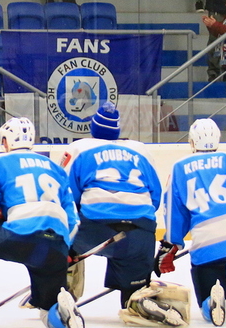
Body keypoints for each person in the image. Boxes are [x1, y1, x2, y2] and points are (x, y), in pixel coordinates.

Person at [0, 117, 84, 328]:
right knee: (48, 313)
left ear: (6, 141)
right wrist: (63, 248)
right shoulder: (55, 168)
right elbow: (74, 222)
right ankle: (60, 311)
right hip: (54, 245)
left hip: (18, 238)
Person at [154, 118, 226, 327]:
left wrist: (173, 243)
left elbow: (174, 210)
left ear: (192, 141)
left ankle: (211, 300)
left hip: (206, 239)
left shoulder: (179, 167)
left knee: (206, 270)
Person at [61, 103, 162, 308]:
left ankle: (61, 289)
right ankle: (135, 300)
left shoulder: (78, 148)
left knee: (61, 240)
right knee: (135, 299)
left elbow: (66, 197)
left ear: (93, 127)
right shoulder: (140, 150)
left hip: (95, 228)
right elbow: (156, 197)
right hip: (140, 231)